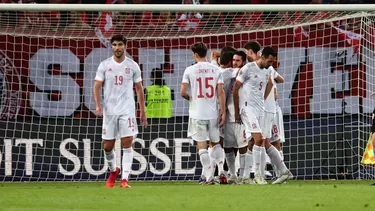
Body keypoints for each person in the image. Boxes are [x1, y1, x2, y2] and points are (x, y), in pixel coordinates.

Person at [93, 34, 148, 188]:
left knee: (127, 144)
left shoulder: (133, 65)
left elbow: (139, 89)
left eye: (120, 45)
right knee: (107, 146)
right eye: (114, 45)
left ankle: (124, 179)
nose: (117, 48)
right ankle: (113, 170)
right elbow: (97, 86)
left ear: (125, 46)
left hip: (127, 110)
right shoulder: (104, 65)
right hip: (110, 111)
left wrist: (142, 111)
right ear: (112, 46)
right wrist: (98, 105)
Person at [233, 46, 291, 185]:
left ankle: (246, 177)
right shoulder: (247, 68)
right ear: (262, 57)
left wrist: (263, 98)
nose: (271, 64)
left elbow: (271, 83)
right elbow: (235, 89)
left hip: (261, 109)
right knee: (259, 139)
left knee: (254, 142)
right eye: (269, 61)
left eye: (273, 62)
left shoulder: (268, 70)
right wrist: (236, 112)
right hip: (247, 109)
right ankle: (258, 176)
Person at [180, 42, 226, 184]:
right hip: (213, 113)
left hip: (197, 113)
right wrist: (223, 112)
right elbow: (220, 93)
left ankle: (209, 176)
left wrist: (191, 99)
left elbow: (182, 92)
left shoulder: (189, 70)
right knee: (216, 143)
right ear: (205, 53)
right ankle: (221, 171)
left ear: (194, 54)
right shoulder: (216, 69)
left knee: (202, 146)